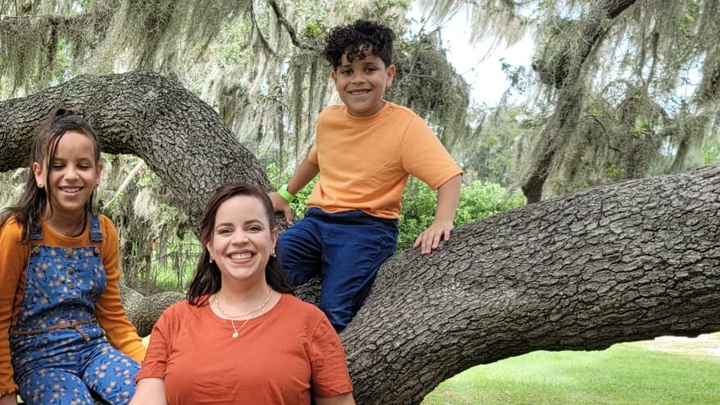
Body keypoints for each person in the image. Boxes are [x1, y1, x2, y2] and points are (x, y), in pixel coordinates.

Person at [269, 19, 463, 333]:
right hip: (316, 223)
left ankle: (327, 363)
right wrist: (285, 194)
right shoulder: (328, 120)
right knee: (267, 269)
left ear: (389, 74)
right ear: (335, 78)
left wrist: (442, 221)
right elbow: (315, 159)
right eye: (348, 71)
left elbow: (448, 175)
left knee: (335, 308)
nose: (358, 79)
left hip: (367, 229)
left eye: (369, 69)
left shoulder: (404, 125)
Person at [130, 182, 355, 405]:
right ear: (210, 245)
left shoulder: (311, 323)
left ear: (273, 239)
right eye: (225, 231)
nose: (239, 240)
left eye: (253, 228)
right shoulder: (174, 320)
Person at [0, 109, 146, 405]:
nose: (71, 175)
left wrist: (153, 368)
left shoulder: (103, 232)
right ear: (39, 173)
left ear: (97, 174)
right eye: (58, 165)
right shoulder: (19, 232)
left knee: (150, 391)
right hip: (38, 361)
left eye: (82, 165)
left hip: (94, 350)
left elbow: (113, 317)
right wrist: (5, 390)